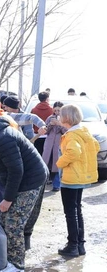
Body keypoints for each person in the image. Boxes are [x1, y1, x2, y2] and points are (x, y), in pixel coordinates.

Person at [0, 108, 48, 272]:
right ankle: (16, 254)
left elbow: (16, 170)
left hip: (31, 178)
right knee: (10, 219)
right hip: (20, 175)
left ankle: (17, 266)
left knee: (12, 221)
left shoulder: (4, 138)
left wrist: (8, 199)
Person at [55, 104, 100, 257]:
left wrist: (59, 163)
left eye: (60, 115)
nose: (58, 117)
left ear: (66, 118)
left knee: (70, 212)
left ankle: (73, 245)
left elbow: (74, 152)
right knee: (77, 209)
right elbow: (96, 146)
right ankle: (80, 244)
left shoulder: (72, 135)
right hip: (80, 177)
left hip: (71, 178)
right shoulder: (84, 131)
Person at [42, 102, 67, 192]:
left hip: (59, 145)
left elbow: (67, 132)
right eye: (55, 110)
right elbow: (45, 131)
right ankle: (43, 184)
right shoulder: (49, 118)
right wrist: (50, 125)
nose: (56, 112)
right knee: (46, 164)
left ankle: (56, 185)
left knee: (57, 165)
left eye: (58, 110)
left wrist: (59, 124)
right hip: (49, 145)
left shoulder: (65, 119)